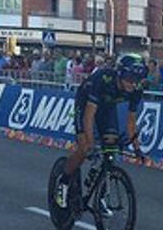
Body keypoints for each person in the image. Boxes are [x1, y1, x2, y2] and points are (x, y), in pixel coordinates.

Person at [53, 54, 149, 210]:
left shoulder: (136, 90)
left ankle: (100, 193)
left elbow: (131, 122)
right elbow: (89, 116)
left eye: (137, 80)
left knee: (110, 147)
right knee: (84, 147)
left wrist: (137, 149)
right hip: (85, 103)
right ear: (120, 74)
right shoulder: (103, 79)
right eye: (129, 78)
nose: (133, 83)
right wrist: (89, 142)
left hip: (107, 108)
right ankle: (63, 182)